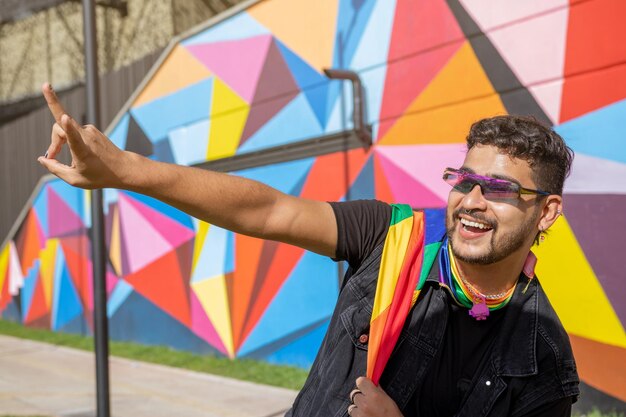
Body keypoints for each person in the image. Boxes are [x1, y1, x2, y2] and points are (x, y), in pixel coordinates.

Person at [38, 83, 579, 417]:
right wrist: (127, 170)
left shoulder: (545, 360)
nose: (472, 201)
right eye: (464, 180)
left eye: (501, 189)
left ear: (546, 211)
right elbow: (267, 210)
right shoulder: (393, 236)